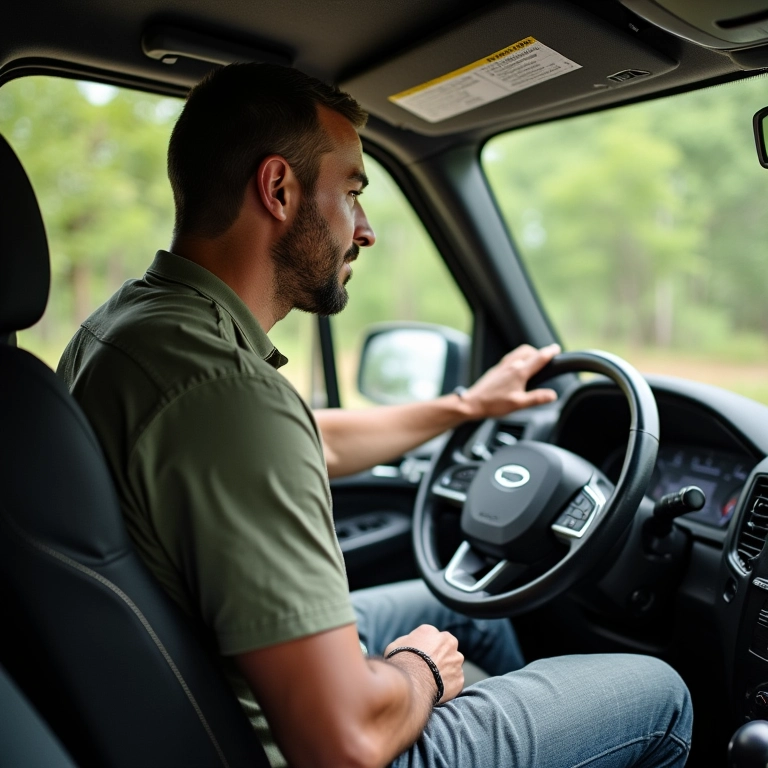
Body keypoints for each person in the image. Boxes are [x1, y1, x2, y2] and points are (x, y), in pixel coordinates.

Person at [58, 63, 692, 768]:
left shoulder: (131, 329)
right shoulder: (226, 397)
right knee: (661, 694)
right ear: (278, 190)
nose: (365, 232)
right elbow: (345, 743)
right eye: (353, 193)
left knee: (457, 606)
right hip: (300, 745)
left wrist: (468, 406)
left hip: (194, 689)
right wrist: (416, 669)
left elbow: (307, 443)